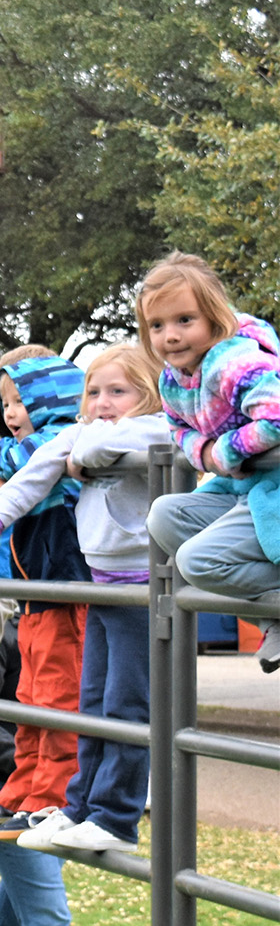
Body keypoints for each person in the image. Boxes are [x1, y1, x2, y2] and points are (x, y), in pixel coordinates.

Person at [0, 344, 171, 852]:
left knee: (126, 705)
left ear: (147, 395)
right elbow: (29, 479)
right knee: (91, 704)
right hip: (99, 586)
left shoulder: (157, 430)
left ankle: (117, 818)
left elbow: (163, 435)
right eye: (93, 392)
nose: (102, 402)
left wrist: (89, 451)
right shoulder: (78, 435)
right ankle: (78, 808)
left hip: (142, 590)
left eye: (117, 392)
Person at [0, 351, 90, 835]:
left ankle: (55, 794)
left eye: (18, 401)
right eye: (3, 402)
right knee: (30, 693)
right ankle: (23, 786)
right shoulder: (35, 443)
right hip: (34, 590)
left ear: (49, 400)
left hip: (64, 587)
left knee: (58, 695)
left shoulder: (58, 439)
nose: (9, 413)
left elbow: (7, 460)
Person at [138, 254, 280, 673]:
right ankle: (273, 616)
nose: (171, 336)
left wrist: (226, 452)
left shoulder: (232, 362)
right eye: (158, 325)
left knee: (196, 562)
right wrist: (201, 453)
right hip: (241, 489)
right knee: (163, 516)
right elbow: (176, 427)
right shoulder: (172, 379)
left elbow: (276, 414)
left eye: (185, 320)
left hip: (271, 486)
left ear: (215, 318)